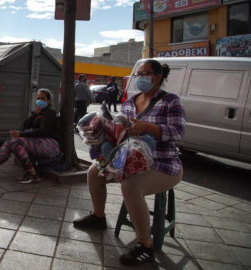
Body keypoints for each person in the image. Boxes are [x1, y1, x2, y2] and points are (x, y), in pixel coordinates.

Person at [73, 60, 186, 267]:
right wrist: (104, 129)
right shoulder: (130, 102)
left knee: (131, 185)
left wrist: (148, 127)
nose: (141, 77)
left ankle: (145, 246)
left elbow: (178, 132)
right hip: (130, 159)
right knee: (93, 172)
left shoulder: (170, 101)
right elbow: (120, 130)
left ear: (158, 77)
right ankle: (99, 217)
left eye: (146, 73)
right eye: (139, 74)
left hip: (163, 165)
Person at [0, 89, 61, 184]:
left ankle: (33, 173)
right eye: (38, 98)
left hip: (49, 144)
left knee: (14, 142)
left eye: (43, 98)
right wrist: (34, 115)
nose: (40, 100)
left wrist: (21, 134)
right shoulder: (39, 112)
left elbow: (43, 131)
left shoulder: (50, 112)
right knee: (9, 143)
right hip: (39, 142)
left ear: (48, 100)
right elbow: (25, 125)